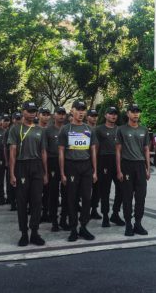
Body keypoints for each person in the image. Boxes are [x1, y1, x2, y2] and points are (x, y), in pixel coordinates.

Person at [59, 100, 98, 242]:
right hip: (71, 167)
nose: (81, 112)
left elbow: (93, 150)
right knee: (72, 198)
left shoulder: (89, 129)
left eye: (83, 109)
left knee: (87, 198)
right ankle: (73, 228)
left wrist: (95, 171)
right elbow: (61, 152)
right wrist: (62, 172)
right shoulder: (66, 129)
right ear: (72, 111)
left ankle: (83, 227)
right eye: (78, 109)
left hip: (86, 166)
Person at [9, 102, 47, 247]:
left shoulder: (39, 130)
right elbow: (12, 152)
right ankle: (24, 233)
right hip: (22, 166)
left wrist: (45, 172)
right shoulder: (15, 129)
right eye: (29, 111)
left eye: (34, 111)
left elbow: (43, 152)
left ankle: (35, 232)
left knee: (37, 201)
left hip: (37, 166)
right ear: (23, 112)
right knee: (22, 202)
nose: (32, 113)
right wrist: (12, 174)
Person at [116, 104, 151, 236]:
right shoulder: (122, 129)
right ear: (128, 113)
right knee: (127, 197)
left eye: (138, 112)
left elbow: (146, 150)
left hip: (140, 166)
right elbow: (118, 151)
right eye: (133, 112)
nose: (136, 114)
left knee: (141, 196)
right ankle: (128, 225)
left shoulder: (144, 130)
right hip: (127, 166)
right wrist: (119, 170)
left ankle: (138, 223)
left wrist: (148, 169)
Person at [97, 107, 125, 227]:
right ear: (105, 115)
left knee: (122, 189)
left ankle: (115, 213)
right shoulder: (99, 130)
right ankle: (105, 216)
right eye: (110, 113)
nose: (113, 116)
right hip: (104, 161)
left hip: (118, 161)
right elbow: (95, 148)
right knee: (105, 191)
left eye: (115, 114)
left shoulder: (120, 130)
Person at [44, 107, 68, 231]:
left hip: (66, 163)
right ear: (54, 115)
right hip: (52, 162)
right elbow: (44, 151)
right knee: (53, 193)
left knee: (66, 193)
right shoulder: (48, 131)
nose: (61, 116)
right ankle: (54, 220)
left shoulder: (68, 129)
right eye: (59, 113)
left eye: (63, 114)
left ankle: (64, 219)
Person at [87, 109, 103, 221]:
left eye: (96, 116)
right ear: (87, 117)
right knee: (85, 189)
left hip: (99, 161)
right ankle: (85, 210)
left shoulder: (99, 130)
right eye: (92, 116)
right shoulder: (84, 129)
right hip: (85, 161)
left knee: (97, 189)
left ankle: (94, 209)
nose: (94, 118)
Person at [0, 114, 11, 206]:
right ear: (1, 121)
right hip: (0, 155)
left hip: (9, 154)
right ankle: (1, 197)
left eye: (8, 120)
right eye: (5, 120)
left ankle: (9, 197)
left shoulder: (11, 130)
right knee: (0, 177)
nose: (6, 122)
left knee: (9, 178)